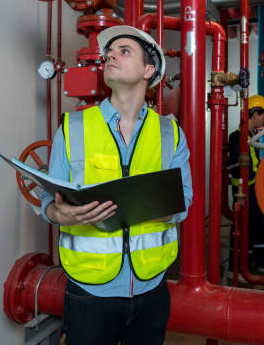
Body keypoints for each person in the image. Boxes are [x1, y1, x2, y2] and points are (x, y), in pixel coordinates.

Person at [40, 25, 193, 345]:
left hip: (152, 287)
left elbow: (185, 200)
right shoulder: (73, 128)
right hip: (89, 290)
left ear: (149, 70)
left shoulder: (170, 133)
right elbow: (48, 200)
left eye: (124, 51)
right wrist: (60, 215)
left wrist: (153, 207)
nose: (111, 55)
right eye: (110, 51)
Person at [227, 94, 264, 279]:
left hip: (255, 190)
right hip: (243, 192)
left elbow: (253, 164)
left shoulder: (252, 137)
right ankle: (235, 269)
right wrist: (259, 176)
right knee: (242, 229)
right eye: (263, 116)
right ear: (253, 114)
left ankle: (262, 264)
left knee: (261, 226)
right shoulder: (237, 137)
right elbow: (234, 167)